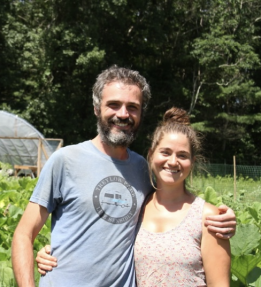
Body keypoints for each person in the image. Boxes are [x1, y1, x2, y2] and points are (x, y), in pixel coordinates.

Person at [12, 65, 235, 287]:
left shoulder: (143, 170)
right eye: (114, 105)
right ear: (96, 108)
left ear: (140, 113)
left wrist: (224, 219)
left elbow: (175, 206)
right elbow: (23, 234)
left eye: (132, 107)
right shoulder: (65, 160)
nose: (123, 114)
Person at [134, 107, 230, 286]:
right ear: (151, 154)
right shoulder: (138, 207)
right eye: (165, 152)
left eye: (182, 155)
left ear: (192, 162)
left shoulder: (209, 217)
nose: (172, 161)